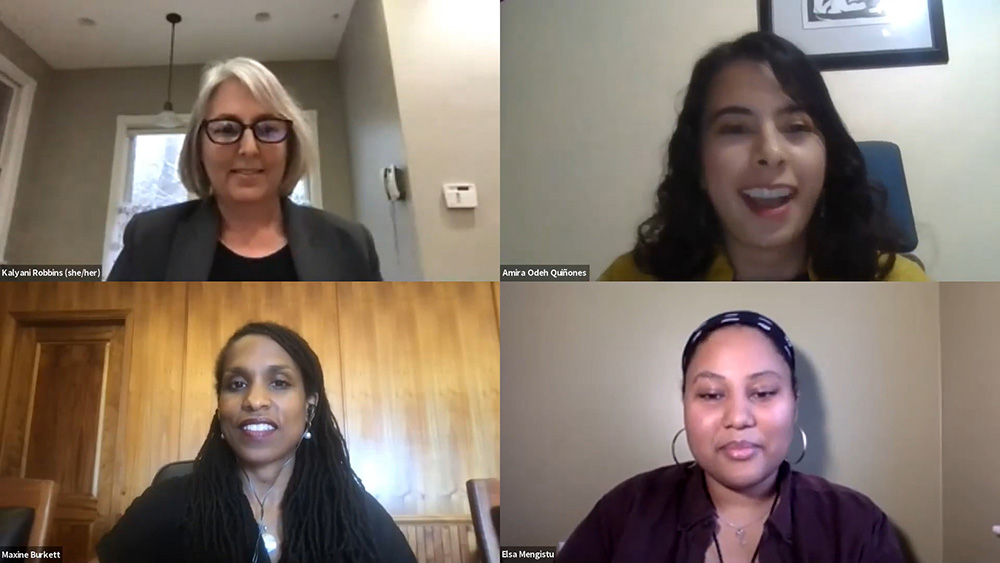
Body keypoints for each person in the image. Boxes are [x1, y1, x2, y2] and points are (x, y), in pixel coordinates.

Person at [555, 311, 905, 562]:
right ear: (685, 403)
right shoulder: (626, 510)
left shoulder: (856, 525)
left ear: (794, 403)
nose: (738, 418)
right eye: (711, 394)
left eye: (764, 392)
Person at [599, 32, 927, 281]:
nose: (770, 153)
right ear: (698, 163)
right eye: (736, 129)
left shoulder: (899, 285)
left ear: (828, 159)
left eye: (796, 126)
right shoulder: (629, 281)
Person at [93, 322, 415, 562]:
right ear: (220, 407)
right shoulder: (168, 504)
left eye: (278, 382)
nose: (255, 399)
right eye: (236, 384)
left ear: (310, 406)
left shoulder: (355, 512)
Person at [108, 57, 381, 281]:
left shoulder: (350, 244)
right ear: (198, 147)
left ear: (291, 145)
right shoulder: (150, 239)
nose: (249, 148)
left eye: (268, 129)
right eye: (226, 129)